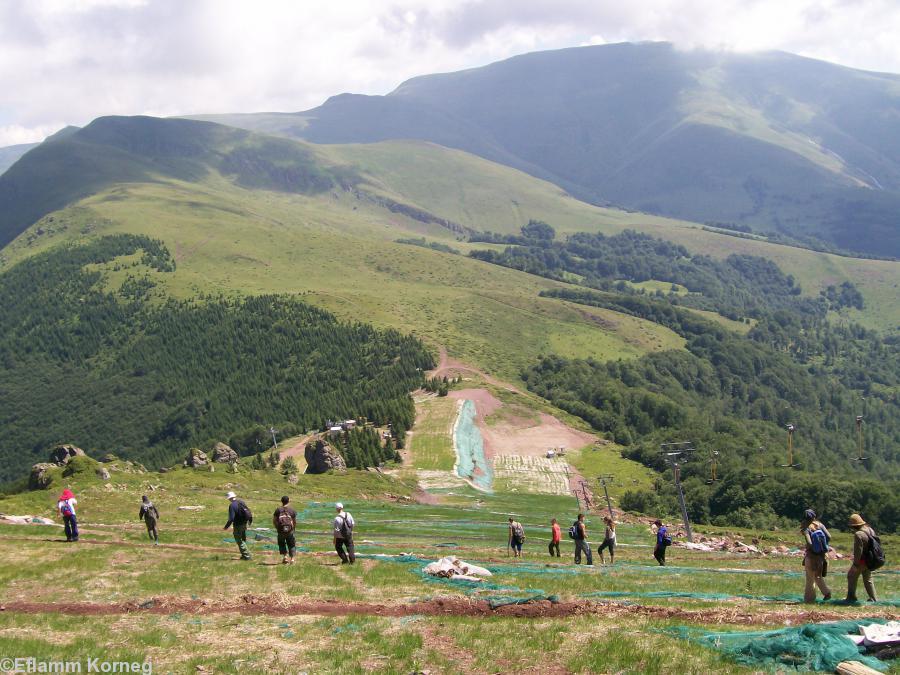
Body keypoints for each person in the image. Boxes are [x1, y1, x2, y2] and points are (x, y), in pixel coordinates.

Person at [845, 513, 878, 603]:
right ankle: (873, 598)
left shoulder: (858, 534)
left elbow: (858, 550)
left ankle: (851, 597)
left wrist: (855, 564)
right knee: (868, 579)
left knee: (851, 576)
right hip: (871, 559)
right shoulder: (870, 530)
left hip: (862, 560)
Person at [801, 508, 832, 603]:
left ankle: (809, 599)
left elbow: (809, 543)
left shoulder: (806, 528)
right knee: (817, 575)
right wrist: (823, 546)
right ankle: (826, 593)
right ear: (814, 516)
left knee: (810, 578)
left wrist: (811, 548)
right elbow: (829, 536)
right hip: (821, 555)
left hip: (811, 556)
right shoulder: (820, 525)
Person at [223, 491, 253, 561]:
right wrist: (250, 521)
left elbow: (231, 519)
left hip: (238, 525)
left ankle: (247, 556)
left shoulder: (232, 505)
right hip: (244, 524)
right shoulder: (241, 502)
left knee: (239, 541)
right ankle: (244, 555)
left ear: (229, 498)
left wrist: (226, 527)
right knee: (243, 540)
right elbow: (248, 512)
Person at [273, 495, 297, 564]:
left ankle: (285, 557)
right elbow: (294, 521)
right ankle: (292, 559)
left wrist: (277, 527)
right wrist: (293, 528)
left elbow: (274, 520)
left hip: (281, 530)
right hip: (290, 530)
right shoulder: (292, 510)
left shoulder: (278, 510)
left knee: (281, 543)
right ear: (288, 501)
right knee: (291, 544)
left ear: (281, 501)